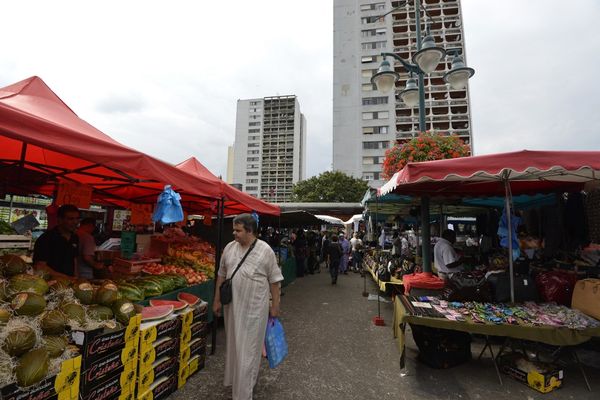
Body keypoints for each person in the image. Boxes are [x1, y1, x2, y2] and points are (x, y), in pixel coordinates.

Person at [213, 214, 283, 400]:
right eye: (234, 230)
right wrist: (217, 300)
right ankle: (242, 382)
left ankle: (243, 394)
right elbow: (221, 275)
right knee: (235, 347)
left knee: (249, 350)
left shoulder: (265, 250)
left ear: (250, 231)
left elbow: (275, 281)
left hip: (254, 310)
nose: (234, 233)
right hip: (232, 309)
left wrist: (275, 306)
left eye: (238, 230)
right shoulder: (229, 248)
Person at [33, 204, 80, 280]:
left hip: (69, 284)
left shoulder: (75, 238)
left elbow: (74, 260)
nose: (75, 222)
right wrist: (67, 278)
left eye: (77, 218)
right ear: (60, 220)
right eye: (70, 219)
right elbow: (40, 266)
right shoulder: (46, 238)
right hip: (50, 283)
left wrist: (76, 278)